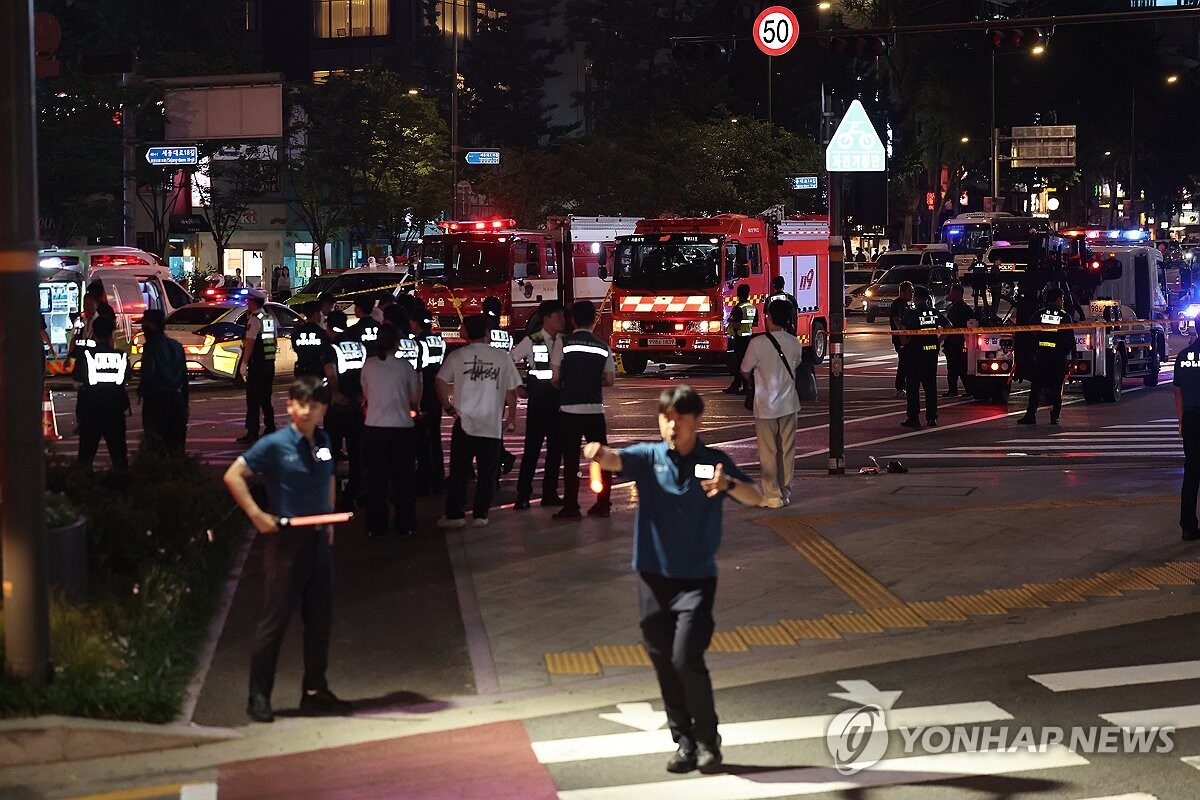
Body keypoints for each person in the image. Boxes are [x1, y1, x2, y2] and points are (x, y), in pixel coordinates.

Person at [584, 386, 761, 774]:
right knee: (663, 661)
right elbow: (615, 460)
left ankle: (708, 740)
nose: (672, 425)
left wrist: (727, 485)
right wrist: (598, 452)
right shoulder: (649, 457)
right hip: (652, 577)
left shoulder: (713, 461)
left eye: (680, 418)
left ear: (697, 420)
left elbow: (756, 495)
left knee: (685, 657)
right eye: (666, 417)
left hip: (696, 579)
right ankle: (683, 741)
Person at [223, 376, 351, 723]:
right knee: (274, 622)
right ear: (290, 405)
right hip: (286, 543)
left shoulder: (324, 440)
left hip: (318, 541)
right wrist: (257, 515)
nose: (309, 411)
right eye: (303, 403)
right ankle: (259, 696)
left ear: (324, 408)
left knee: (320, 621)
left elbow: (328, 479)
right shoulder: (275, 444)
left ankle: (315, 691)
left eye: (317, 405)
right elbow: (234, 475)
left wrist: (329, 523)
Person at [435, 314, 521, 528]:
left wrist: (448, 407)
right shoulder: (502, 357)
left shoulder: (458, 356)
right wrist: (511, 416)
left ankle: (455, 515)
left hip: (464, 423)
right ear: (487, 333)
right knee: (487, 473)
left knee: (459, 473)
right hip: (491, 424)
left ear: (466, 332)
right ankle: (481, 514)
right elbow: (512, 391)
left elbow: (440, 381)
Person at [552, 300, 616, 520]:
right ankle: (603, 504)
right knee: (602, 457)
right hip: (594, 410)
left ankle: (571, 506)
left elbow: (555, 378)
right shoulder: (603, 347)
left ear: (572, 319)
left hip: (569, 409)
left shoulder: (563, 343)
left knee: (570, 459)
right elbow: (609, 380)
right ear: (593, 319)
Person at [360, 323, 422, 538]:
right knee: (403, 479)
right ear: (397, 343)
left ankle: (376, 525)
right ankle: (405, 524)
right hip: (402, 427)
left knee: (377, 479)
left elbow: (366, 394)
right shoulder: (405, 367)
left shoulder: (369, 365)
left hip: (374, 427)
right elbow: (414, 398)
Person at [740, 299, 803, 509]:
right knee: (787, 451)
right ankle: (785, 492)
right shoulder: (795, 342)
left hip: (765, 405)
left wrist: (755, 382)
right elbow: (797, 363)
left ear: (769, 318)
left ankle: (772, 494)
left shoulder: (758, 343)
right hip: (789, 404)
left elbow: (744, 370)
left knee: (768, 452)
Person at [510, 299, 565, 510]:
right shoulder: (532, 341)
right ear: (546, 319)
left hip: (559, 402)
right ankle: (523, 495)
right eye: (557, 316)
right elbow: (509, 360)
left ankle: (549, 493)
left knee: (555, 450)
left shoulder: (565, 341)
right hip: (539, 401)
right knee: (532, 450)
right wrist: (517, 385)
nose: (561, 319)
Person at [322, 310, 367, 510]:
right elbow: (367, 372)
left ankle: (332, 495)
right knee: (357, 453)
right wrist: (364, 394)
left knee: (331, 450)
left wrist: (335, 394)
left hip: (338, 407)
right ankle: (355, 492)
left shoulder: (331, 348)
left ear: (329, 327)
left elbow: (331, 374)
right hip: (357, 405)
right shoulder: (359, 345)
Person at [73, 315, 130, 470]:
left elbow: (77, 382)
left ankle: (84, 489)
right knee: (119, 455)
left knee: (86, 455)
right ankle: (122, 488)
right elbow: (126, 379)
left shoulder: (85, 355)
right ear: (112, 333)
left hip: (91, 410)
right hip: (115, 410)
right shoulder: (121, 356)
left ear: (94, 334)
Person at [1019, 287, 1075, 426]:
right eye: (1061, 298)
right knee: (1057, 389)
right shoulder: (1064, 316)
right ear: (1057, 299)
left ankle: (1030, 415)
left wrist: (1035, 345)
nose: (1062, 301)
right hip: (1058, 358)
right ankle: (1054, 416)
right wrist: (1073, 356)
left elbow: (1029, 331)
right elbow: (1070, 337)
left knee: (1036, 387)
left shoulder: (1040, 314)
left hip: (1042, 357)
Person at [137, 309, 189, 453]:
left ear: (150, 325)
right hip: (176, 400)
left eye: (144, 324)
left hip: (156, 401)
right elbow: (184, 378)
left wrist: (142, 390)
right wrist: (185, 404)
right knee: (176, 447)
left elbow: (149, 373)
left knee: (156, 446)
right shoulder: (176, 346)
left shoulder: (151, 346)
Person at [409, 303, 447, 495]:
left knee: (422, 440)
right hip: (436, 393)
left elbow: (417, 374)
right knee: (435, 436)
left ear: (414, 323)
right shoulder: (439, 341)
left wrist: (414, 401)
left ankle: (425, 480)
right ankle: (438, 478)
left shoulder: (417, 343)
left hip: (423, 393)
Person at [900, 286, 948, 428]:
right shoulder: (934, 312)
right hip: (931, 353)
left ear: (917, 297)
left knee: (913, 387)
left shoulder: (912, 313)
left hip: (915, 353)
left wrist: (905, 342)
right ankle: (932, 417)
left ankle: (913, 417)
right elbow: (949, 326)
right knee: (930, 387)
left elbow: (903, 329)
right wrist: (938, 340)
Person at [237, 294, 277, 444]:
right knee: (266, 398)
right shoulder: (268, 318)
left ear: (253, 303)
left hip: (258, 364)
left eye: (249, 301)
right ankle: (270, 427)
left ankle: (252, 431)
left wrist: (244, 363)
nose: (247, 303)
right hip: (269, 363)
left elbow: (251, 342)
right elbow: (273, 340)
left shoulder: (254, 319)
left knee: (253, 399)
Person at [1174, 326, 1200, 541]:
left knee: (1191, 473)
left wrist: (1181, 421)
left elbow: (1178, 392)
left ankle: (1188, 525)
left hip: (1191, 419)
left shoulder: (1183, 356)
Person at [723, 284, 757, 395]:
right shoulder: (752, 307)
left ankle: (743, 386)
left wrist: (730, 322)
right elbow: (755, 323)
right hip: (749, 338)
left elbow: (736, 324)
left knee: (740, 363)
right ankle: (738, 385)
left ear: (738, 294)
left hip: (740, 338)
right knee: (745, 363)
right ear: (748, 294)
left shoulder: (739, 308)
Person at [942, 284, 974, 397]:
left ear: (958, 294)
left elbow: (951, 328)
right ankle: (959, 389)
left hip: (957, 343)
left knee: (957, 367)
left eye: (952, 292)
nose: (950, 294)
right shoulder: (958, 307)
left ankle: (960, 389)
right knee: (957, 368)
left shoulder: (959, 309)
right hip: (955, 342)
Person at [889, 281, 915, 398]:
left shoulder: (907, 304)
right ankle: (900, 388)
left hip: (907, 338)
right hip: (900, 339)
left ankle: (905, 386)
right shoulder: (897, 304)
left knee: (908, 363)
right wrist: (902, 335)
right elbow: (897, 321)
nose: (912, 293)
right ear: (902, 292)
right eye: (910, 291)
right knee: (903, 363)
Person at [292, 301, 330, 379]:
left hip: (302, 369)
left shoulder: (296, 333)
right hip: (318, 371)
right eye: (320, 313)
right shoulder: (322, 333)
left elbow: (295, 348)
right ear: (316, 314)